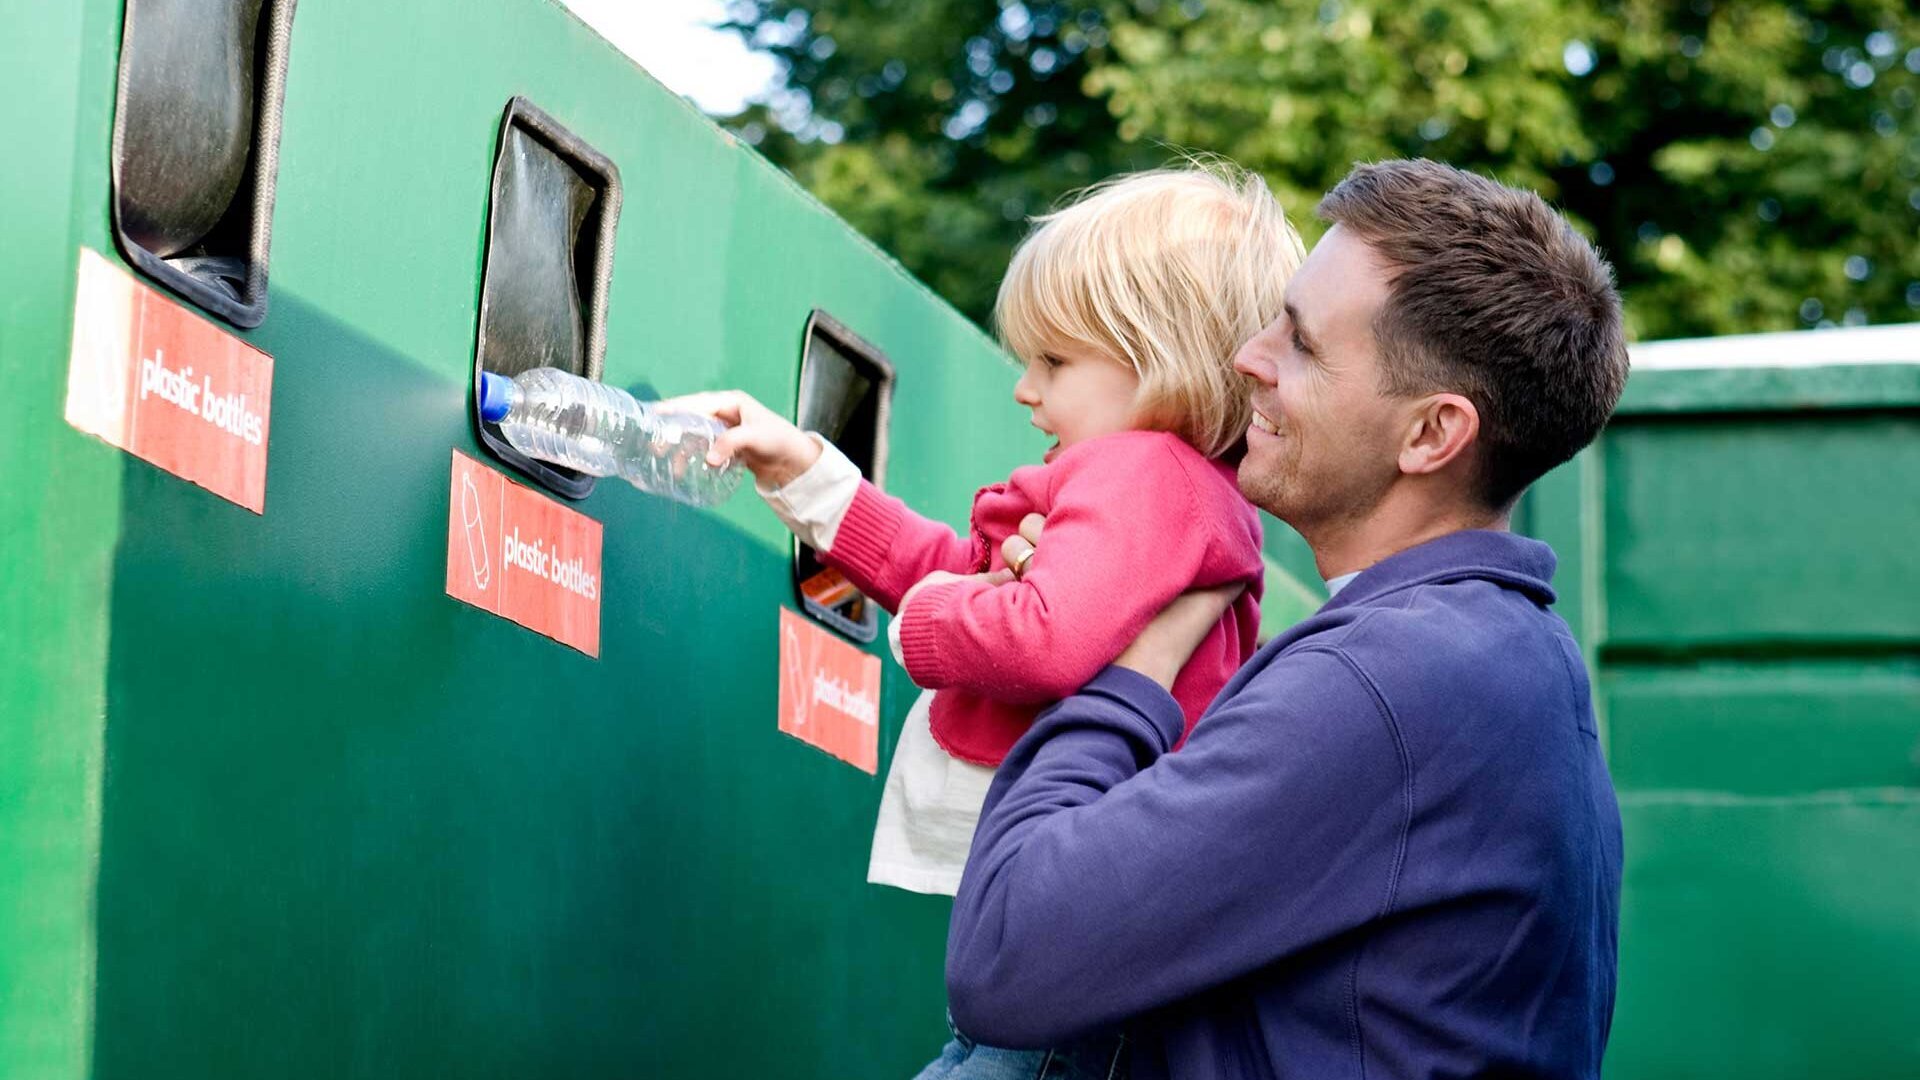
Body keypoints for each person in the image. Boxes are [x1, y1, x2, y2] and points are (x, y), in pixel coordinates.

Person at [939, 159, 1630, 1079]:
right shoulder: (1495, 656)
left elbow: (1006, 957)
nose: (1247, 357)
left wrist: (1126, 670)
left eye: (1300, 343)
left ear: (1431, 434)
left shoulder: (1392, 679)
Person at [673, 166, 1306, 1078]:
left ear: (1160, 359)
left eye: (1054, 363)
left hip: (1072, 935)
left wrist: (919, 628)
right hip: (1071, 939)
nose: (1024, 389)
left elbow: (1036, 633)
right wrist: (804, 471)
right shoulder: (1156, 490)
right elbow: (968, 575)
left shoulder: (1147, 476)